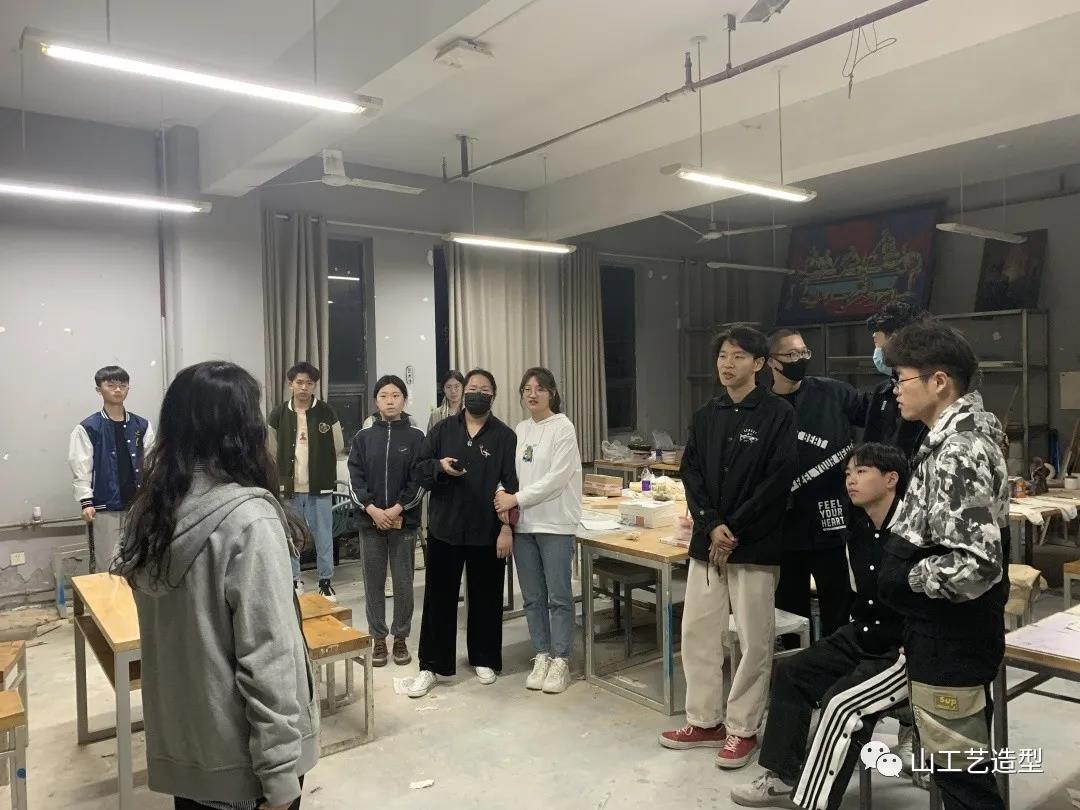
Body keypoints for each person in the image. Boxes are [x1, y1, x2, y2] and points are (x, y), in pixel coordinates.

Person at [114, 361, 318, 810]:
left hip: (190, 754)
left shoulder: (151, 513)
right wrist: (280, 777)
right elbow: (268, 656)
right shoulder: (249, 519)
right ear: (242, 429)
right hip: (245, 766)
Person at [731, 443, 909, 809]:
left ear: (891, 479)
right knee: (790, 673)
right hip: (862, 635)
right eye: (848, 473)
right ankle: (783, 775)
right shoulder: (858, 530)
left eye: (862, 472)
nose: (851, 480)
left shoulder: (914, 532)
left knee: (840, 704)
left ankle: (813, 801)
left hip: (901, 650)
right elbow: (860, 593)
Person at [878, 320, 1009, 810]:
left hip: (951, 635)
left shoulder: (959, 450)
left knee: (962, 778)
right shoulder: (948, 439)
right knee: (953, 768)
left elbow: (977, 564)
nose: (895, 390)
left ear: (939, 382)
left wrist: (907, 578)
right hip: (940, 630)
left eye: (902, 379)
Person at [660, 326, 797, 769]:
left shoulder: (777, 414)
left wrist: (732, 527)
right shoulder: (707, 413)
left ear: (758, 364)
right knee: (698, 632)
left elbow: (776, 481)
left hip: (754, 544)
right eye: (723, 355)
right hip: (708, 543)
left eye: (738, 356)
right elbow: (692, 473)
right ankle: (704, 721)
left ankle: (743, 728)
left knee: (754, 640)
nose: (727, 364)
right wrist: (711, 523)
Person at [409, 368, 518, 697]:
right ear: (463, 392)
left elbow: (511, 485)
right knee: (438, 599)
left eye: (484, 389)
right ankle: (431, 665)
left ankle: (484, 658)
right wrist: (439, 467)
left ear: (493, 396)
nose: (477, 394)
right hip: (445, 528)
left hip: (487, 529)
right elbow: (418, 468)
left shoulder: (504, 436)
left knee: (487, 596)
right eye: (473, 388)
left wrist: (507, 528)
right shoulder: (442, 430)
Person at [768, 329, 867, 643]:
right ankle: (796, 661)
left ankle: (838, 660)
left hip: (831, 515)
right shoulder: (764, 407)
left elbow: (877, 417)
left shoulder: (833, 392)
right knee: (789, 609)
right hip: (784, 525)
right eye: (791, 354)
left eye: (803, 353)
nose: (799, 360)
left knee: (838, 603)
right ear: (770, 361)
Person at [493, 367, 582, 695]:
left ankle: (561, 659)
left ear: (552, 393)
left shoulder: (563, 427)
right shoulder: (521, 429)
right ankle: (542, 654)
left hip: (555, 524)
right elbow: (511, 473)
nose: (532, 394)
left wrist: (515, 498)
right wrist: (503, 494)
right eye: (527, 389)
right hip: (525, 525)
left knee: (558, 596)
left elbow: (556, 479)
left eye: (540, 388)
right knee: (532, 597)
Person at [348, 375, 426, 668]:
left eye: (395, 395)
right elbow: (355, 478)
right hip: (370, 522)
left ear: (404, 400)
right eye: (383, 395)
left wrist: (395, 509)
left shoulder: (417, 437)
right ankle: (378, 637)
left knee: (404, 582)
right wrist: (372, 509)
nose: (389, 401)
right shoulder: (363, 437)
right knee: (374, 583)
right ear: (375, 401)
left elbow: (419, 479)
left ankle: (401, 636)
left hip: (403, 522)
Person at [267, 362, 345, 600]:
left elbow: (338, 445)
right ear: (290, 384)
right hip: (289, 487)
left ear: (314, 386)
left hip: (319, 485)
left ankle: (325, 581)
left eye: (309, 383)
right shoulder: (279, 414)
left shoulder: (326, 412)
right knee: (292, 535)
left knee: (323, 535)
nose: (304, 387)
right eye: (299, 382)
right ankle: (294, 580)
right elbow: (271, 449)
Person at [68, 366, 155, 572]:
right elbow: (81, 466)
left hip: (138, 504)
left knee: (139, 558)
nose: (117, 389)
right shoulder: (88, 427)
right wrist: (86, 502)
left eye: (122, 385)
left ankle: (134, 595)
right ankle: (107, 594)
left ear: (128, 388)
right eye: (111, 385)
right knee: (107, 561)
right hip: (104, 504)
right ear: (99, 389)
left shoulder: (142, 425)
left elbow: (152, 462)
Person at [863, 301, 928, 459]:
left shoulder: (927, 392)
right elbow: (869, 445)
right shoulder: (883, 391)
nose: (873, 335)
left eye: (878, 331)